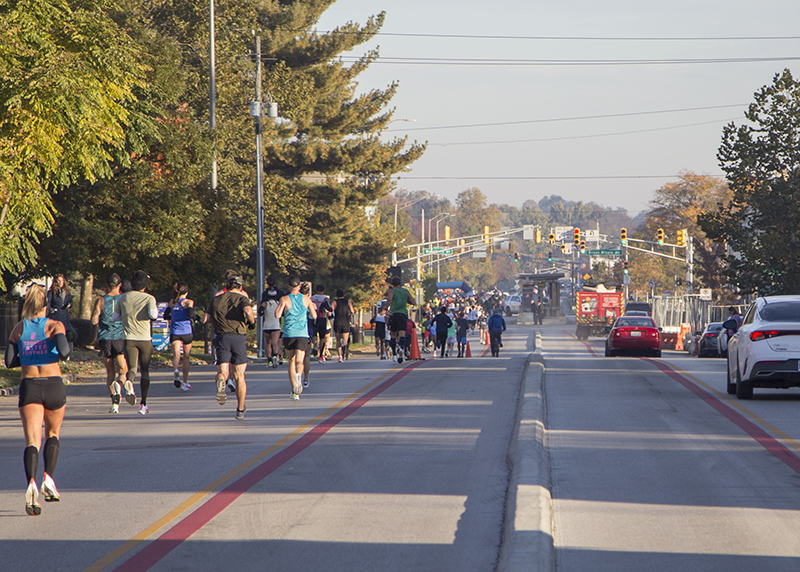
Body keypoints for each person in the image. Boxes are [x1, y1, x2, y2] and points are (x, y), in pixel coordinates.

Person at [6, 284, 71, 515]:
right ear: (46, 305)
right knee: (52, 434)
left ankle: (31, 483)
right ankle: (48, 479)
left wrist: (28, 352)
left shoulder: (18, 328)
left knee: (32, 441)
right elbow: (64, 352)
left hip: (30, 386)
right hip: (53, 385)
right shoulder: (55, 325)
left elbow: (10, 362)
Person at [203, 273, 255, 420]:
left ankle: (221, 381)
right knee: (239, 376)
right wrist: (251, 322)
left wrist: (216, 319)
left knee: (223, 371)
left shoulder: (216, 299)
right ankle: (240, 409)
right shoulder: (242, 298)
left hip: (221, 338)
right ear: (240, 287)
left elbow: (205, 319)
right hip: (238, 337)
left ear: (227, 286)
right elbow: (248, 311)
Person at [118, 270, 158, 415]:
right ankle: (143, 403)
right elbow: (154, 315)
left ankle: (129, 383)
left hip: (128, 338)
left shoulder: (122, 298)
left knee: (132, 368)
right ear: (145, 285)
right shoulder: (149, 298)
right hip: (145, 338)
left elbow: (116, 317)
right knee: (145, 371)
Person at [91, 273, 129, 413]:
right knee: (123, 370)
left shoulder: (100, 300)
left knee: (110, 372)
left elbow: (94, 320)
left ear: (107, 286)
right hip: (119, 337)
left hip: (105, 338)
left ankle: (114, 400)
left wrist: (99, 318)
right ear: (120, 285)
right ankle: (119, 385)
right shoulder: (124, 299)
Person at [275, 276, 317, 400]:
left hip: (289, 333)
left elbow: (277, 315)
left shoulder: (284, 299)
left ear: (288, 286)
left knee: (291, 361)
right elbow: (314, 316)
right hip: (302, 333)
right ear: (299, 286)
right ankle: (299, 375)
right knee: (300, 361)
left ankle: (294, 390)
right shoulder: (306, 299)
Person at [163, 281, 195, 391]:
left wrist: (172, 318)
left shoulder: (172, 302)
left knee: (176, 355)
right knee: (186, 357)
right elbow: (191, 314)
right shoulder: (188, 302)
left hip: (175, 332)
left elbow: (165, 315)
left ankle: (176, 370)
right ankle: (185, 381)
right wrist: (196, 318)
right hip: (186, 331)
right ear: (186, 292)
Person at [385, 276, 413, 363]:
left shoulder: (392, 290)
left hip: (393, 314)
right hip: (403, 314)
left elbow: (389, 299)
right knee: (402, 333)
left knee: (392, 333)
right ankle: (401, 348)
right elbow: (413, 301)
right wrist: (405, 300)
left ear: (392, 283)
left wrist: (386, 308)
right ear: (400, 283)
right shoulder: (405, 291)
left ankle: (394, 354)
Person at [260, 275, 285, 368]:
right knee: (278, 341)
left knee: (268, 342)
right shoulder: (281, 294)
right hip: (278, 321)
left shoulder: (265, 295)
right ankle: (278, 356)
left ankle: (269, 359)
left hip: (267, 322)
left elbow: (260, 308)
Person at [47, 274, 75, 355]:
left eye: (61, 281)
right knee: (56, 333)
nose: (60, 282)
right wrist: (51, 311)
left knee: (66, 333)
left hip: (65, 314)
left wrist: (69, 304)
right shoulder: (52, 292)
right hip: (56, 315)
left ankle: (65, 352)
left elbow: (70, 301)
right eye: (58, 281)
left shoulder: (66, 292)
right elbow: (49, 303)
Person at [310, 285, 333, 362]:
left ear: (316, 290)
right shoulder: (325, 299)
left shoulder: (311, 298)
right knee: (322, 337)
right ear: (324, 291)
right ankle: (320, 356)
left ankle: (315, 343)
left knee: (314, 334)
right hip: (322, 318)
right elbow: (328, 308)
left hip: (313, 318)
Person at [331, 288, 355, 362]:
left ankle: (340, 356)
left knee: (338, 340)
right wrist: (349, 316)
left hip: (337, 322)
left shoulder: (334, 302)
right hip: (345, 322)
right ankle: (345, 352)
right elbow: (352, 311)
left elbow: (330, 311)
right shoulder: (348, 302)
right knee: (345, 340)